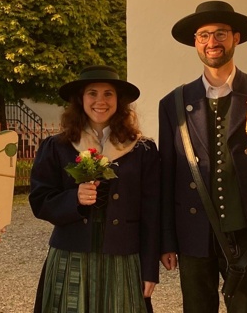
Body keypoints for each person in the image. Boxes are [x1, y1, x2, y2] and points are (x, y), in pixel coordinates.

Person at [158, 0, 247, 313]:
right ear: (196, 43)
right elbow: (167, 177)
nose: (212, 42)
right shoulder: (173, 102)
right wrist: (167, 240)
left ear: (236, 38)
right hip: (193, 232)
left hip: (246, 231)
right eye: (204, 35)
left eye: (220, 34)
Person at [29, 65, 160, 313]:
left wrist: (150, 269)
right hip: (71, 257)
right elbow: (40, 200)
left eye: (108, 93)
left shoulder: (142, 150)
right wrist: (73, 199)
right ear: (81, 99)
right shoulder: (58, 146)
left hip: (123, 259)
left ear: (118, 101)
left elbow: (152, 212)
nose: (100, 101)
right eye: (92, 93)